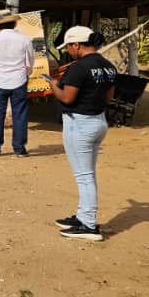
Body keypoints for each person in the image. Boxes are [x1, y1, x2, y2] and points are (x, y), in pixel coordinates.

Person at [47, 27, 116, 241]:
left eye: (69, 46)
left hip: (79, 123)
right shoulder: (108, 66)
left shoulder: (79, 68)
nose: (68, 50)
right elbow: (108, 97)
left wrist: (53, 85)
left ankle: (88, 224)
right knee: (87, 174)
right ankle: (82, 215)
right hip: (98, 121)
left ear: (77, 45)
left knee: (84, 176)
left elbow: (66, 98)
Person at [0, 14, 34, 157]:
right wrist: (26, 74)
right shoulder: (24, 39)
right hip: (19, 81)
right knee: (20, 115)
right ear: (15, 24)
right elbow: (30, 61)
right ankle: (19, 149)